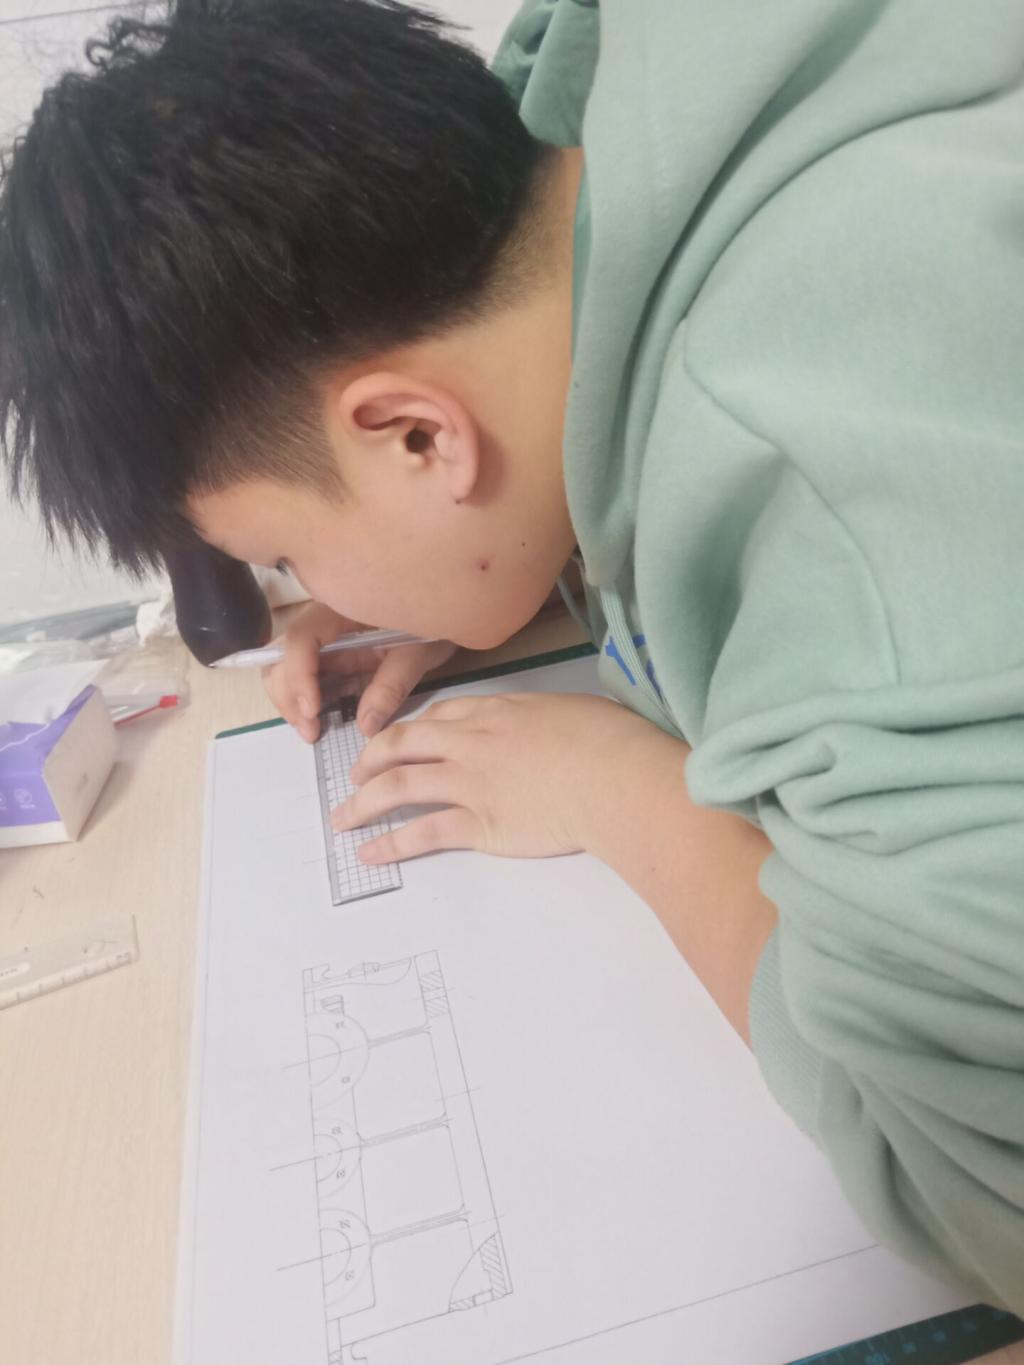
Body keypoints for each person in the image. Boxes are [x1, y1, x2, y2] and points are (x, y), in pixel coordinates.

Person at [1, 0, 1022, 1313]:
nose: (315, 598)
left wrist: (622, 791)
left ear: (420, 436)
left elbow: (981, 1186)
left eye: (291, 554)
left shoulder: (841, 508)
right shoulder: (593, 107)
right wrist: (516, 552)